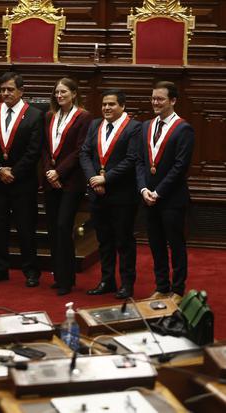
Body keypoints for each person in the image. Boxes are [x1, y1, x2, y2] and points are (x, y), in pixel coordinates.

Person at [0, 72, 43, 286]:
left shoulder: (34, 115)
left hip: (23, 182)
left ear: (21, 91)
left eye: (10, 89)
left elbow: (34, 151)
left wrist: (13, 172)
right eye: (2, 90)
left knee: (26, 228)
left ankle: (31, 272)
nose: (5, 93)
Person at [136, 81, 194, 303]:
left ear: (173, 101)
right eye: (153, 99)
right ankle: (161, 286)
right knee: (156, 245)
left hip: (171, 199)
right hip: (148, 198)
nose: (155, 103)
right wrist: (143, 189)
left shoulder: (183, 128)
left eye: (160, 99)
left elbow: (180, 166)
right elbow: (140, 161)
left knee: (176, 245)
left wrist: (158, 192)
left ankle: (177, 290)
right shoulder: (146, 126)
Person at [80, 89, 141, 299]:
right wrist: (93, 178)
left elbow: (132, 159)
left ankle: (126, 284)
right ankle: (107, 280)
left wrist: (106, 178)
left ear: (122, 106)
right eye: (104, 104)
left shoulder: (134, 128)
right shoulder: (96, 124)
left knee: (123, 241)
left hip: (122, 195)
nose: (106, 108)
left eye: (112, 104)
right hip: (97, 193)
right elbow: (85, 153)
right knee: (103, 241)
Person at [42, 77, 92, 296]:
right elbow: (44, 148)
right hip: (50, 179)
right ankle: (59, 274)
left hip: (71, 181)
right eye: (56, 92)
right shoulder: (49, 116)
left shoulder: (83, 117)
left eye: (63, 92)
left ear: (74, 93)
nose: (59, 96)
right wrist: (49, 172)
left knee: (64, 226)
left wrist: (59, 172)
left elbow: (80, 150)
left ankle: (67, 278)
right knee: (53, 228)